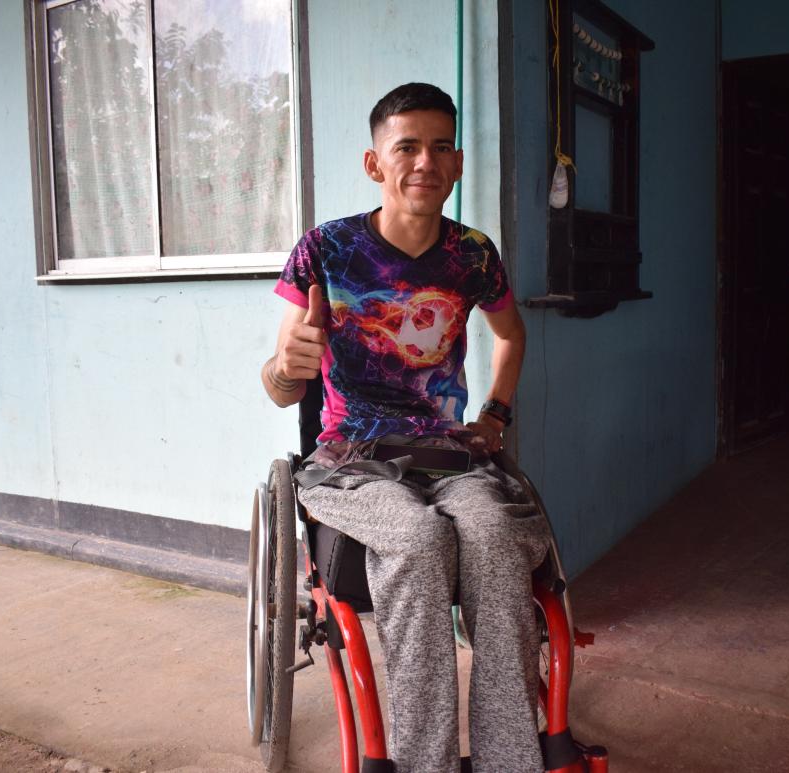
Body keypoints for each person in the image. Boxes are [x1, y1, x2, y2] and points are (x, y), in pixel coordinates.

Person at [261, 82, 549, 773]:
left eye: (441, 147)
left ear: (457, 165)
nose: (426, 161)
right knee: (419, 540)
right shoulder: (325, 250)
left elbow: (511, 334)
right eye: (407, 146)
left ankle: (510, 760)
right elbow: (280, 388)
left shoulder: (473, 255)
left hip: (448, 454)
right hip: (350, 458)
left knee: (494, 533)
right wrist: (284, 367)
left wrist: (495, 414)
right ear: (375, 163)